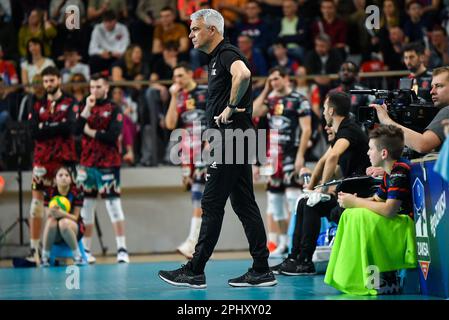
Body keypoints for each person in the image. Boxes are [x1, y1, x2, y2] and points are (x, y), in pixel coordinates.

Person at [159, 8, 277, 288]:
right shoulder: (215, 59)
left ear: (212, 30)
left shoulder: (226, 53)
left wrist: (231, 107)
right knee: (244, 204)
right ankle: (261, 269)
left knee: (212, 203)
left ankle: (195, 270)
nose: (190, 34)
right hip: (234, 140)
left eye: (195, 29)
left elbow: (244, 74)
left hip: (232, 140)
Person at [270, 92, 370, 275]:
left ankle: (306, 262)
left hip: (360, 197)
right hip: (346, 195)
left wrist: (323, 189)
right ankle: (295, 258)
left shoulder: (349, 130)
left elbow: (333, 157)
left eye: (324, 108)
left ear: (331, 111)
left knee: (312, 207)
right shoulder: (341, 132)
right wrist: (310, 188)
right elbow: (323, 161)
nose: (323, 112)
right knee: (304, 201)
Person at [325, 125, 417, 295]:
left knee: (359, 214)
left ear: (383, 153)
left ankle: (380, 276)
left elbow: (390, 209)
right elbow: (376, 200)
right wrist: (350, 200)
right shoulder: (389, 172)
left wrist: (356, 202)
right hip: (396, 222)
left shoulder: (400, 171)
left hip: (406, 226)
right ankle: (352, 274)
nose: (367, 153)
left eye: (371, 149)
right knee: (351, 213)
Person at [253, 66, 314, 258]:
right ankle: (282, 242)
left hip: (291, 153)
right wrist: (264, 90)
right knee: (274, 202)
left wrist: (300, 155)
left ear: (286, 78)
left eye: (276, 79)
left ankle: (295, 243)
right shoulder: (270, 100)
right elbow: (254, 111)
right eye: (271, 80)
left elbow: (306, 130)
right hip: (273, 157)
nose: (274, 83)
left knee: (293, 199)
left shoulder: (299, 101)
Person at [25, 66, 79, 267]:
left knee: (62, 204)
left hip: (62, 162)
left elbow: (71, 127)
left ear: (59, 80)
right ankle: (34, 250)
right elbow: (33, 132)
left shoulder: (70, 102)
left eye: (51, 80)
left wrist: (45, 127)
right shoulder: (37, 103)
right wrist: (57, 127)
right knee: (37, 204)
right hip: (41, 162)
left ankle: (64, 252)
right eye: (45, 81)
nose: (48, 84)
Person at [76, 73, 130, 264]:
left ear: (106, 88)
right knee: (87, 207)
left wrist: (89, 131)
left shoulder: (114, 109)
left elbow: (112, 135)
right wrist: (87, 109)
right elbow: (75, 130)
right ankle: (86, 251)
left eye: (98, 87)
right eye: (92, 87)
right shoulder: (85, 106)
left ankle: (122, 249)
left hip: (109, 163)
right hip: (87, 164)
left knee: (113, 206)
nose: (94, 90)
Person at [165, 62, 208, 259]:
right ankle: (198, 244)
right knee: (199, 198)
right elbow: (170, 124)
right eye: (175, 77)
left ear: (190, 74)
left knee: (200, 197)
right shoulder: (179, 97)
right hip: (190, 154)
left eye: (181, 76)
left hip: (208, 150)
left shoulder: (205, 92)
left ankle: (194, 243)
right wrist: (173, 96)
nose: (178, 81)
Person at [372, 66, 449, 154]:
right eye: (432, 86)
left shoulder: (447, 111)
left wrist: (385, 120)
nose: (432, 91)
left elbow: (423, 145)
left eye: (439, 86)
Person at [41, 166, 86, 267]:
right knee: (51, 221)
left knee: (63, 223)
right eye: (60, 175)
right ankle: (45, 258)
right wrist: (53, 211)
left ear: (71, 179)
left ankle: (78, 257)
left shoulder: (77, 193)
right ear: (55, 179)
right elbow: (47, 215)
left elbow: (75, 218)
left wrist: (62, 214)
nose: (64, 177)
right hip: (55, 232)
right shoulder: (49, 193)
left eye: (67, 175)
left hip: (74, 228)